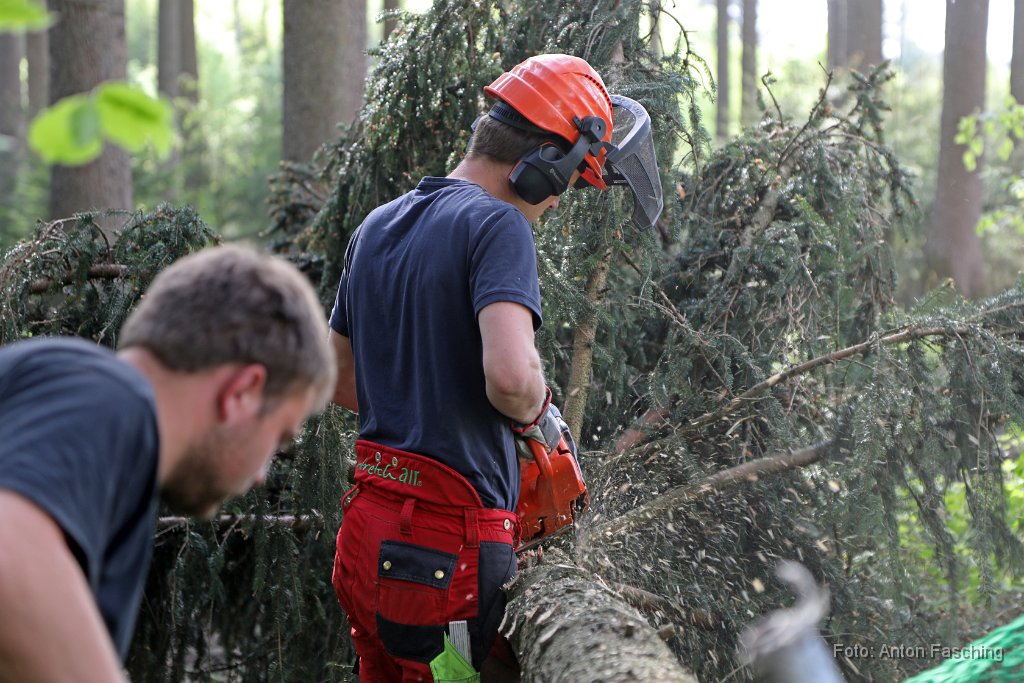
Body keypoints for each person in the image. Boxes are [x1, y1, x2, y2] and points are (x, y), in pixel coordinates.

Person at [329, 54, 614, 682]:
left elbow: (342, 380)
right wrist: (540, 422)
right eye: (569, 184)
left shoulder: (378, 224)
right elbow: (512, 380)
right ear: (543, 168)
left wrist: (434, 408)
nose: (559, 204)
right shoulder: (499, 224)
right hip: (440, 557)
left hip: (366, 532)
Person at [0, 245, 337, 683]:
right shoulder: (112, 397)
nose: (261, 475)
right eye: (278, 437)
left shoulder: (75, 399)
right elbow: (9, 552)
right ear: (242, 393)